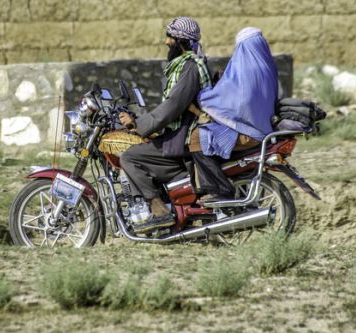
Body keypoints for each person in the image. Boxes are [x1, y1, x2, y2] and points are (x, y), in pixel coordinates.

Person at [118, 17, 211, 233]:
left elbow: (173, 106)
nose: (166, 42)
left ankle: (158, 210)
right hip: (180, 131)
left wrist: (139, 124)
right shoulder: (185, 65)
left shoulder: (190, 67)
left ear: (180, 41)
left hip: (183, 137)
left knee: (129, 157)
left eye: (170, 37)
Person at [191, 27, 279, 203]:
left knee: (197, 138)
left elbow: (231, 102)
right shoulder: (267, 67)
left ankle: (219, 190)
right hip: (262, 128)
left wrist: (203, 95)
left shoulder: (245, 71)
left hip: (249, 133)